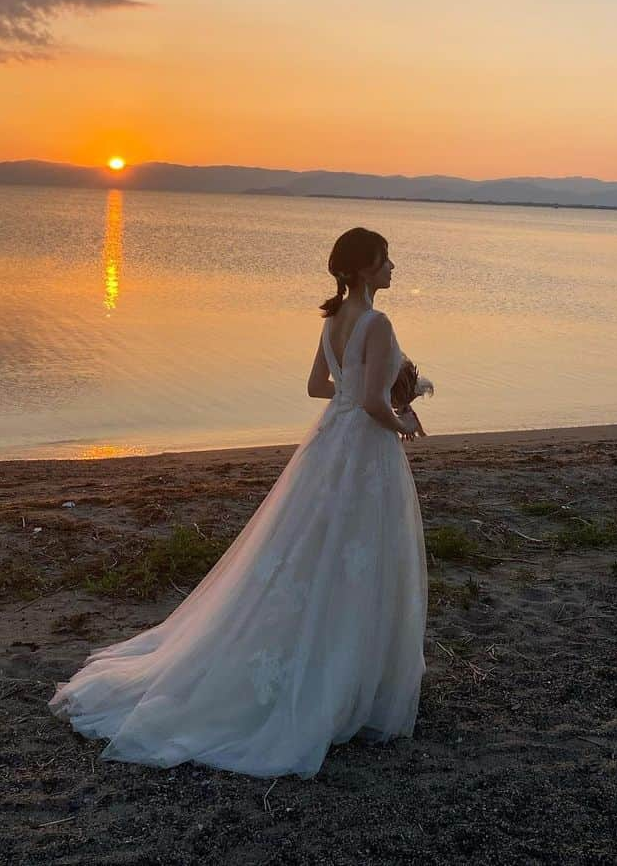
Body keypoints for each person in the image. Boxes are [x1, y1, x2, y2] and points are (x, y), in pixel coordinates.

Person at [47, 226, 430, 779]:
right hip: (365, 450)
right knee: (359, 554)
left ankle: (327, 669)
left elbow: (319, 386)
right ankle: (350, 683)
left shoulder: (333, 319)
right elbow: (370, 401)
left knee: (313, 551)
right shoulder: (377, 322)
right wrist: (402, 417)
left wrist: (371, 392)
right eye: (387, 260)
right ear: (366, 268)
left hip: (329, 443)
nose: (394, 268)